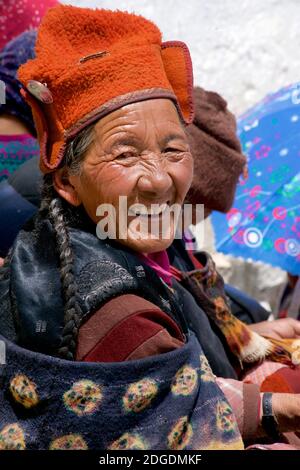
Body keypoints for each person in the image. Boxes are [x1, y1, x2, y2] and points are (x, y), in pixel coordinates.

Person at [0, 7, 300, 449]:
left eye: (173, 150)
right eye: (125, 154)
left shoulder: (126, 252)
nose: (159, 178)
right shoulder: (122, 320)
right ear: (66, 181)